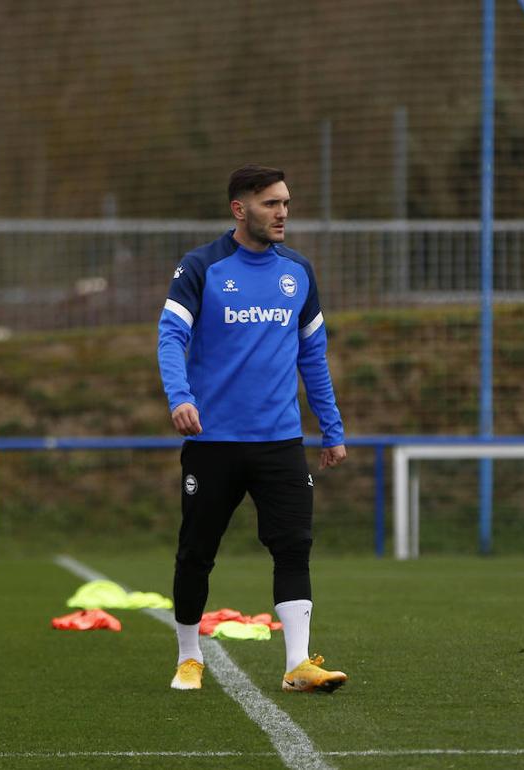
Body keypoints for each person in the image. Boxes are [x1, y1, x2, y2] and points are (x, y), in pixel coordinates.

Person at [156, 164, 348, 694]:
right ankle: (189, 656)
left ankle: (298, 664)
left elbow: (314, 356)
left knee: (293, 547)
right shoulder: (201, 267)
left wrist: (331, 429)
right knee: (197, 552)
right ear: (240, 209)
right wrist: (181, 397)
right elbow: (170, 336)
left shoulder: (299, 272)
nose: (282, 212)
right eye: (270, 203)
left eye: (285, 202)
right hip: (213, 443)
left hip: (280, 442)